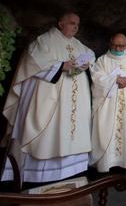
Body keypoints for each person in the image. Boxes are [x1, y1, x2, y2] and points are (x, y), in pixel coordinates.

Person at [1, 12, 94, 183]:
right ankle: (37, 175)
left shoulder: (77, 44)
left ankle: (70, 171)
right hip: (50, 97)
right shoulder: (44, 40)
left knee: (70, 129)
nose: (76, 27)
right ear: (61, 23)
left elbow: (90, 54)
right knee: (50, 131)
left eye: (78, 24)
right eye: (72, 23)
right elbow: (33, 61)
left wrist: (86, 63)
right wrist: (61, 66)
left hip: (73, 98)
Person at [90, 33, 126, 172]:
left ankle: (125, 162)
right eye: (115, 45)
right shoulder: (102, 61)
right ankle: (106, 163)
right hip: (107, 106)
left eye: (121, 46)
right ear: (110, 44)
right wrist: (113, 80)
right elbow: (96, 77)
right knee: (106, 130)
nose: (118, 48)